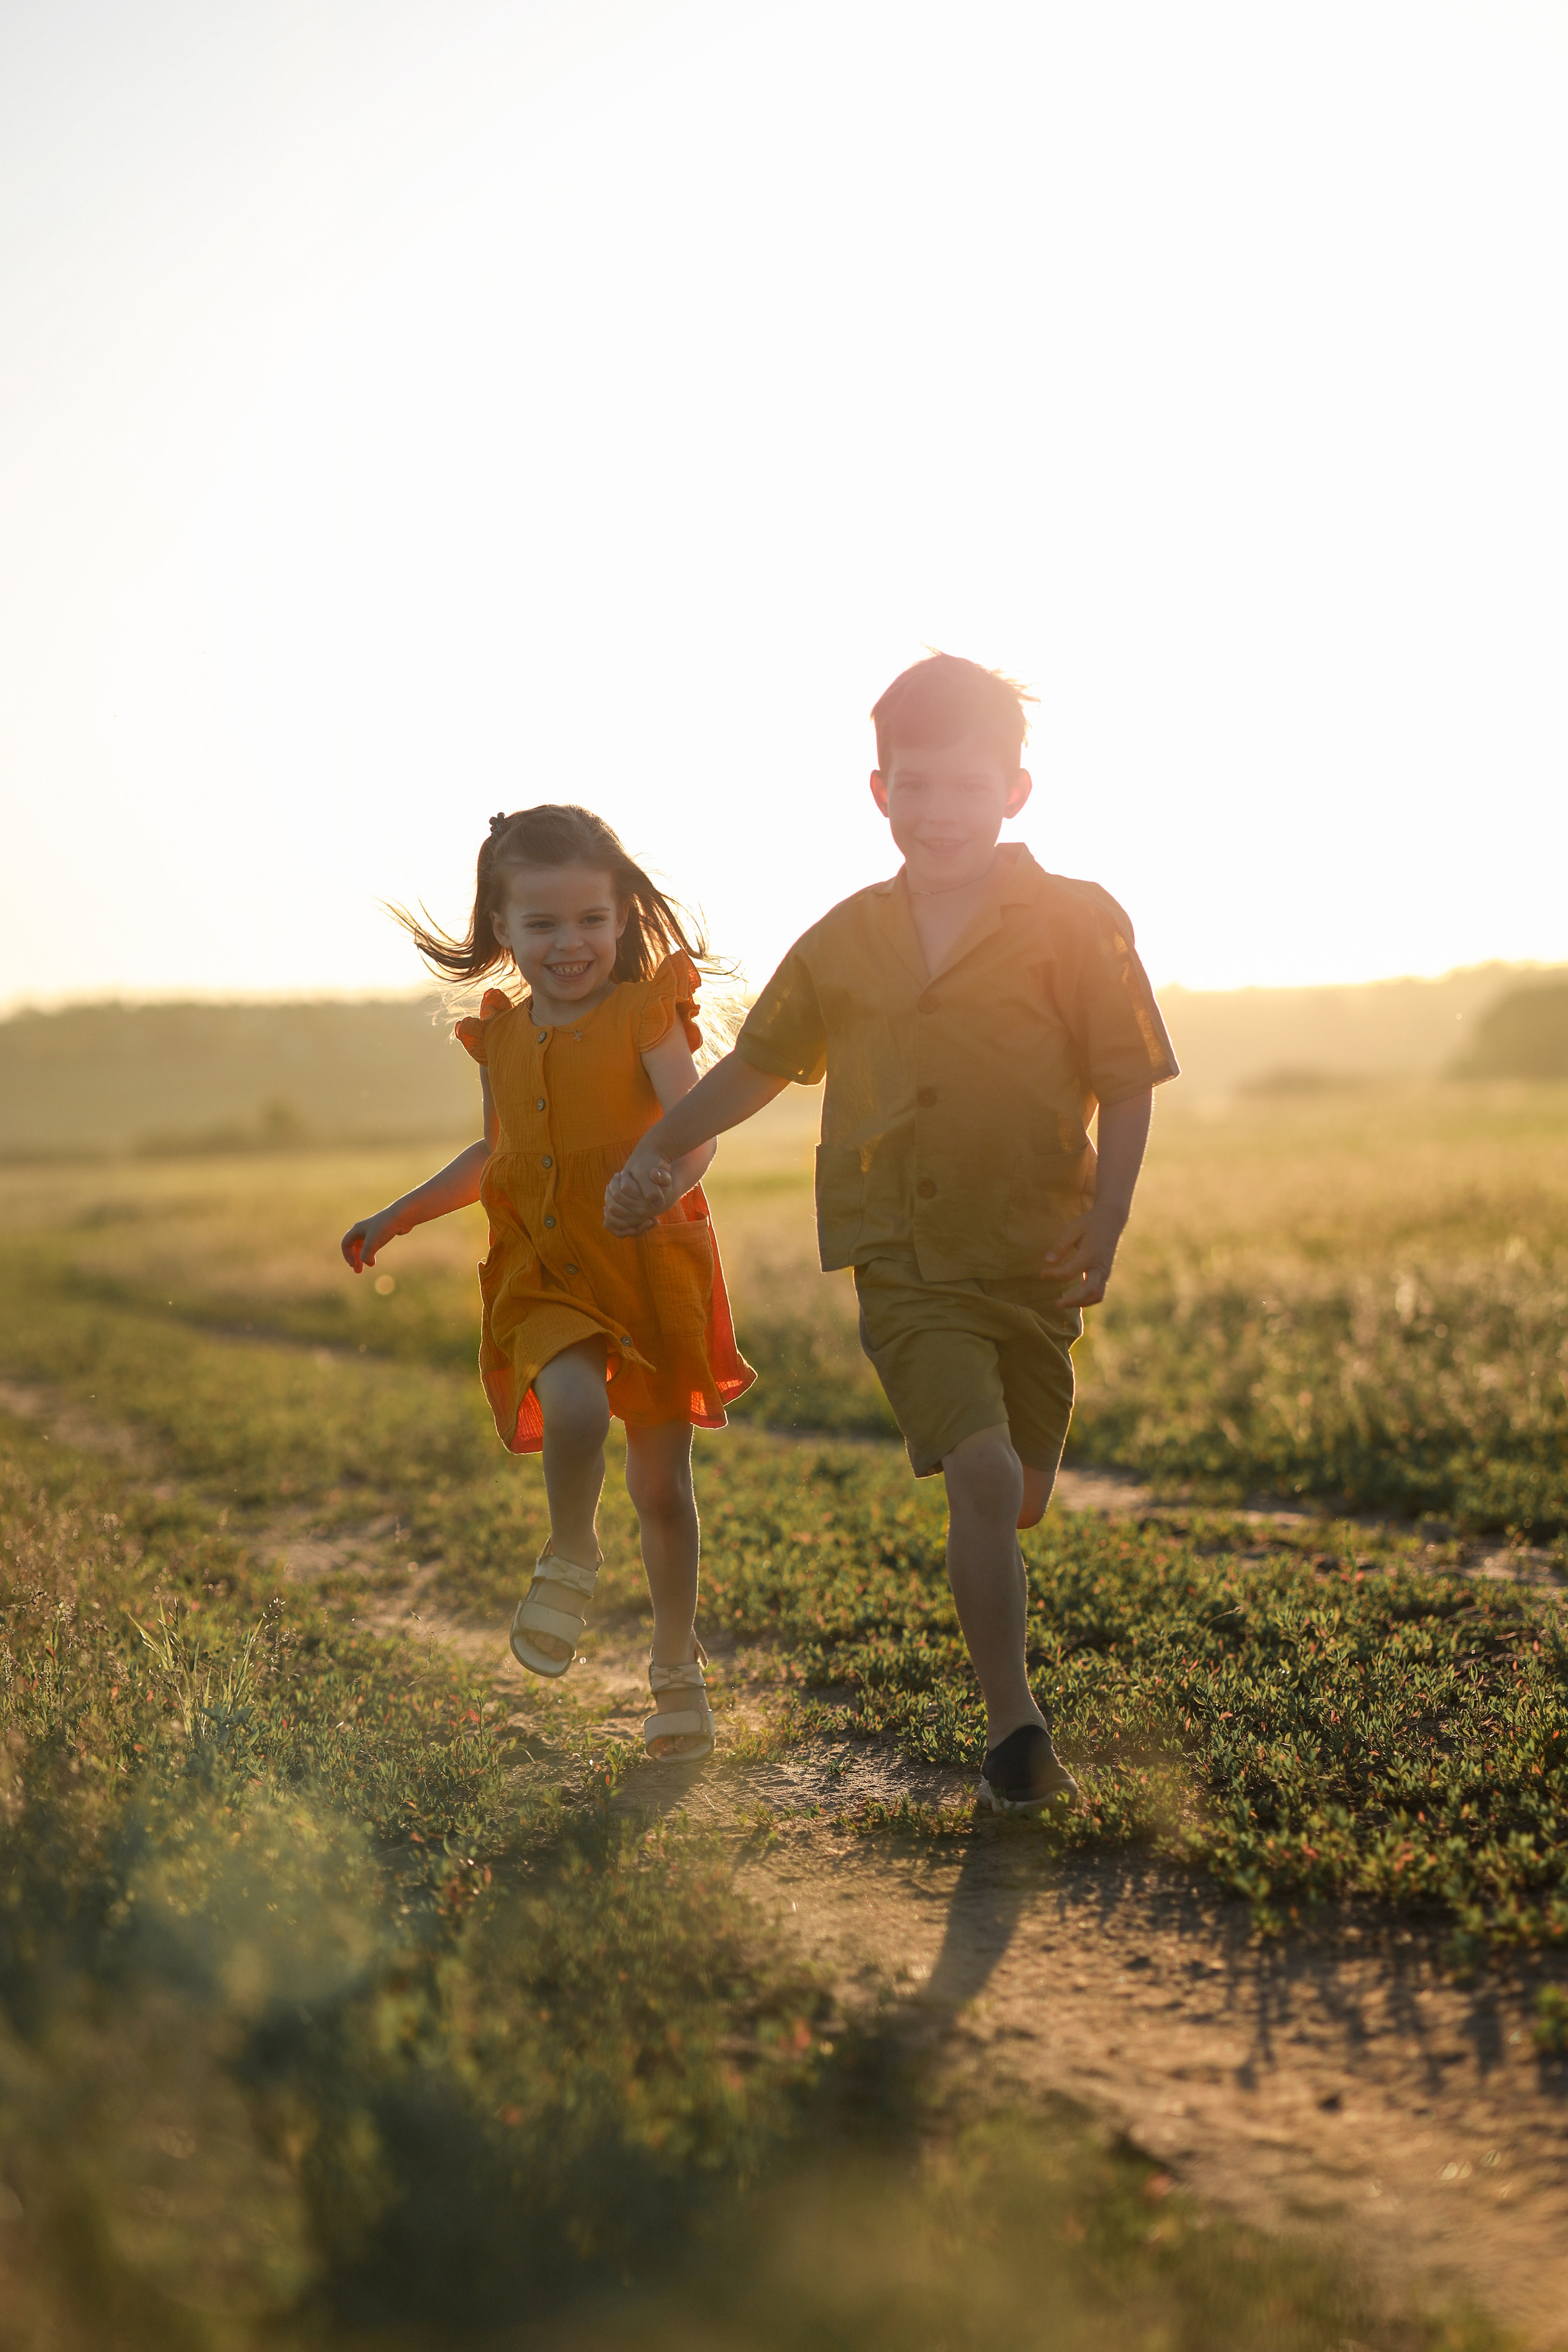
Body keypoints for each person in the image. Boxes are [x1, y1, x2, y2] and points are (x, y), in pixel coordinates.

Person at [608, 655, 1178, 1811]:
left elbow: (1128, 1081)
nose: (938, 813)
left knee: (1014, 1493)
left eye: (966, 788)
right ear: (878, 793)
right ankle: (1014, 1724)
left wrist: (1109, 1218)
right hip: (905, 1258)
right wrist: (661, 1150)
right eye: (913, 787)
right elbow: (759, 1067)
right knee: (977, 1473)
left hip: (1035, 1249)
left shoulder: (1079, 921)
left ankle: (1005, 1649)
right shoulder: (843, 940)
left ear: (1016, 791)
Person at [342, 804, 753, 1760]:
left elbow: (699, 1125)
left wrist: (661, 1175)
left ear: (620, 918)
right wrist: (397, 1214)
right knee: (569, 1406)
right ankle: (572, 1551)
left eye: (591, 922)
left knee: (660, 1486)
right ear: (500, 928)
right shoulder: (501, 1037)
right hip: (543, 1267)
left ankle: (675, 1669)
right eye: (543, 925)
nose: (571, 944)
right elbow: (496, 1151)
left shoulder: (646, 1011)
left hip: (646, 1258)